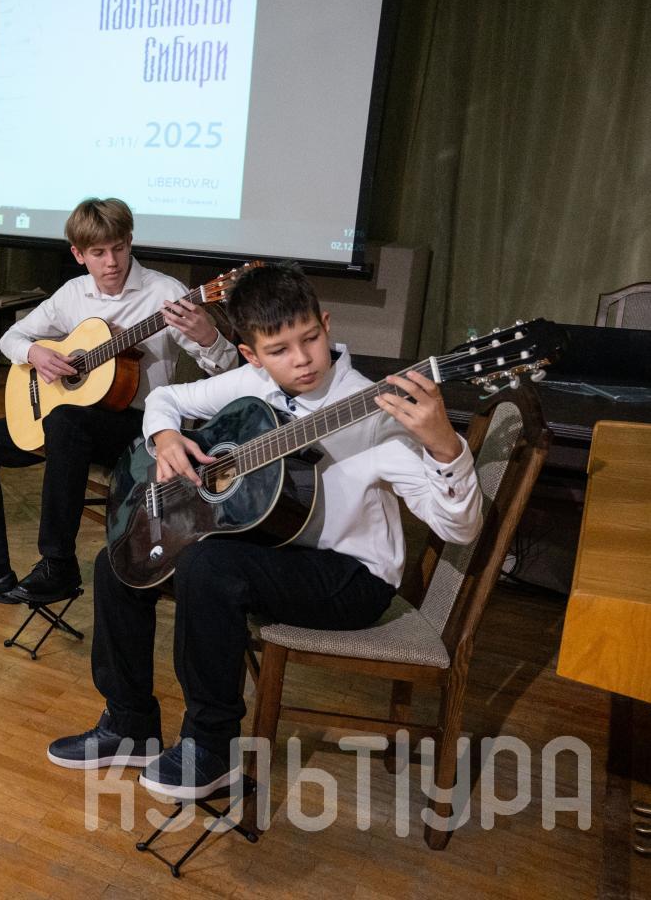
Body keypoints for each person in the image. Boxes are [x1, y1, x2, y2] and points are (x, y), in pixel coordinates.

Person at [46, 262, 484, 800]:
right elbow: (168, 399)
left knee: (208, 566)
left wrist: (445, 445)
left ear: (325, 324)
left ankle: (211, 748)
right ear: (251, 355)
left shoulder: (376, 413)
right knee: (120, 562)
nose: (302, 359)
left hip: (352, 578)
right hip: (275, 547)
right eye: (278, 350)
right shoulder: (252, 383)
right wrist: (165, 438)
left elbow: (461, 527)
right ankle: (130, 723)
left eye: (310, 339)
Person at [0, 197, 236, 606]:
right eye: (98, 253)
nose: (111, 262)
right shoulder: (73, 293)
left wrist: (208, 337)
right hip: (71, 424)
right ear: (78, 254)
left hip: (138, 429)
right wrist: (36, 353)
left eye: (119, 248)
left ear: (130, 242)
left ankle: (58, 565)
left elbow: (227, 369)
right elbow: (11, 338)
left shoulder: (165, 293)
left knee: (65, 422)